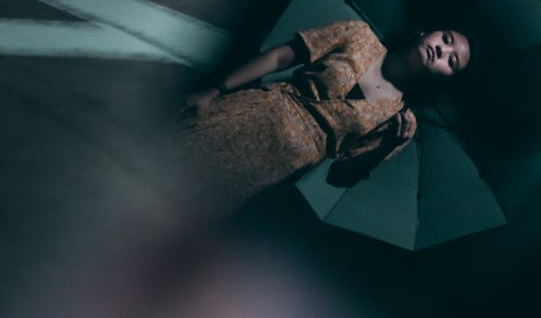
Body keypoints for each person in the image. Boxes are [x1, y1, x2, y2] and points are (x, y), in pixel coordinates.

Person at [179, 19, 471, 203]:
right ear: (427, 31)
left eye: (452, 61)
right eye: (446, 39)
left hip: (274, 166)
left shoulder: (399, 120)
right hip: (251, 112)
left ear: (444, 77)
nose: (443, 51)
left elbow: (339, 176)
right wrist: (216, 89)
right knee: (172, 153)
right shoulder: (358, 34)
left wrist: (385, 148)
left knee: (188, 203)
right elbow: (283, 56)